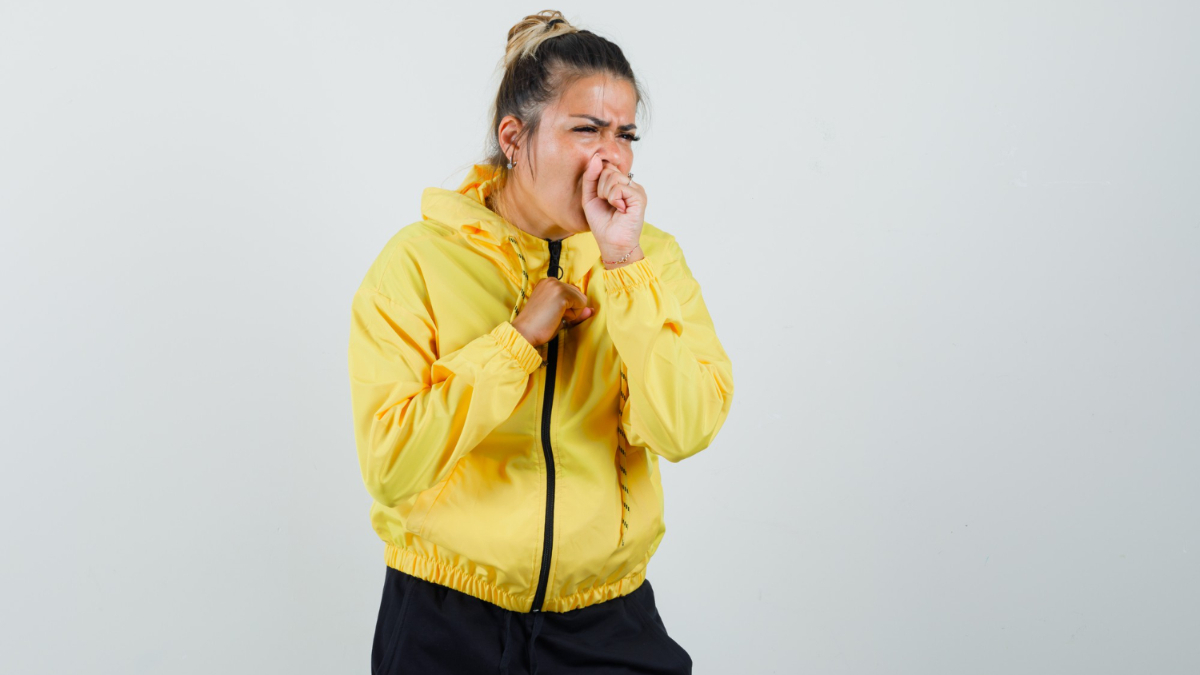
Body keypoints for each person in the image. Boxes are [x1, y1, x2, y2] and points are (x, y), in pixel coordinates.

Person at [347, 10, 735, 674]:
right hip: (444, 618)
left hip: (604, 620)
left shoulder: (650, 261)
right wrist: (517, 338)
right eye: (585, 129)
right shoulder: (415, 262)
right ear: (514, 137)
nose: (609, 156)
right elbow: (391, 466)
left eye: (625, 134)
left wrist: (623, 271)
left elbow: (687, 426)